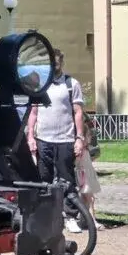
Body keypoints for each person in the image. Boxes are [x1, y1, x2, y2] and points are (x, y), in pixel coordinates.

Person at [26, 48, 85, 232]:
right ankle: (47, 216)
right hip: (43, 139)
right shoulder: (39, 85)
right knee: (44, 180)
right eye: (50, 64)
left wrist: (79, 138)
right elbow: (33, 112)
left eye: (56, 64)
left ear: (61, 63)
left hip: (65, 139)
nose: (53, 67)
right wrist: (30, 137)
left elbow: (78, 112)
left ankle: (70, 216)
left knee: (67, 179)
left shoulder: (71, 84)